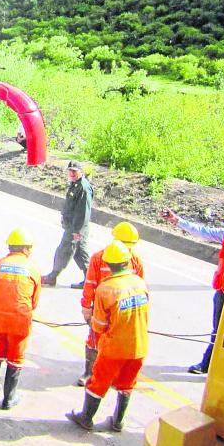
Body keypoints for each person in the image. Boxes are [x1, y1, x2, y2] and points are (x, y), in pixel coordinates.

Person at [161, 201, 224, 374]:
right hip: (223, 294)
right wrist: (177, 221)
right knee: (218, 331)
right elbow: (204, 232)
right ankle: (207, 364)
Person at [67, 240, 149, 432]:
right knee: (127, 383)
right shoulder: (139, 282)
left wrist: (92, 319)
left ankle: (86, 418)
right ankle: (118, 421)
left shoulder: (106, 288)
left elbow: (100, 326)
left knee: (98, 382)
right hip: (139, 345)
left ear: (108, 265)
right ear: (127, 262)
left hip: (114, 347)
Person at [0, 228, 41, 409]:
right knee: (15, 356)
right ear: (26, 249)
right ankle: (9, 399)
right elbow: (34, 303)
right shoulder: (33, 269)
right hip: (19, 321)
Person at [77, 221, 145, 386]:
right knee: (94, 339)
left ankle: (116, 375)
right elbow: (90, 284)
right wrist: (86, 307)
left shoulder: (135, 259)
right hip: (101, 309)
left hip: (123, 310)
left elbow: (140, 285)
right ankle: (89, 372)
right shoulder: (99, 258)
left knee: (120, 342)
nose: (128, 250)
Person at [42, 161, 94, 288]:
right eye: (70, 171)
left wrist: (77, 231)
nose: (71, 173)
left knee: (65, 250)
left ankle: (53, 276)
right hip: (73, 226)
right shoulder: (75, 185)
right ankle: (89, 280)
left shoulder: (83, 187)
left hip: (76, 227)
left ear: (80, 172)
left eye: (74, 171)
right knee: (79, 253)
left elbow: (83, 212)